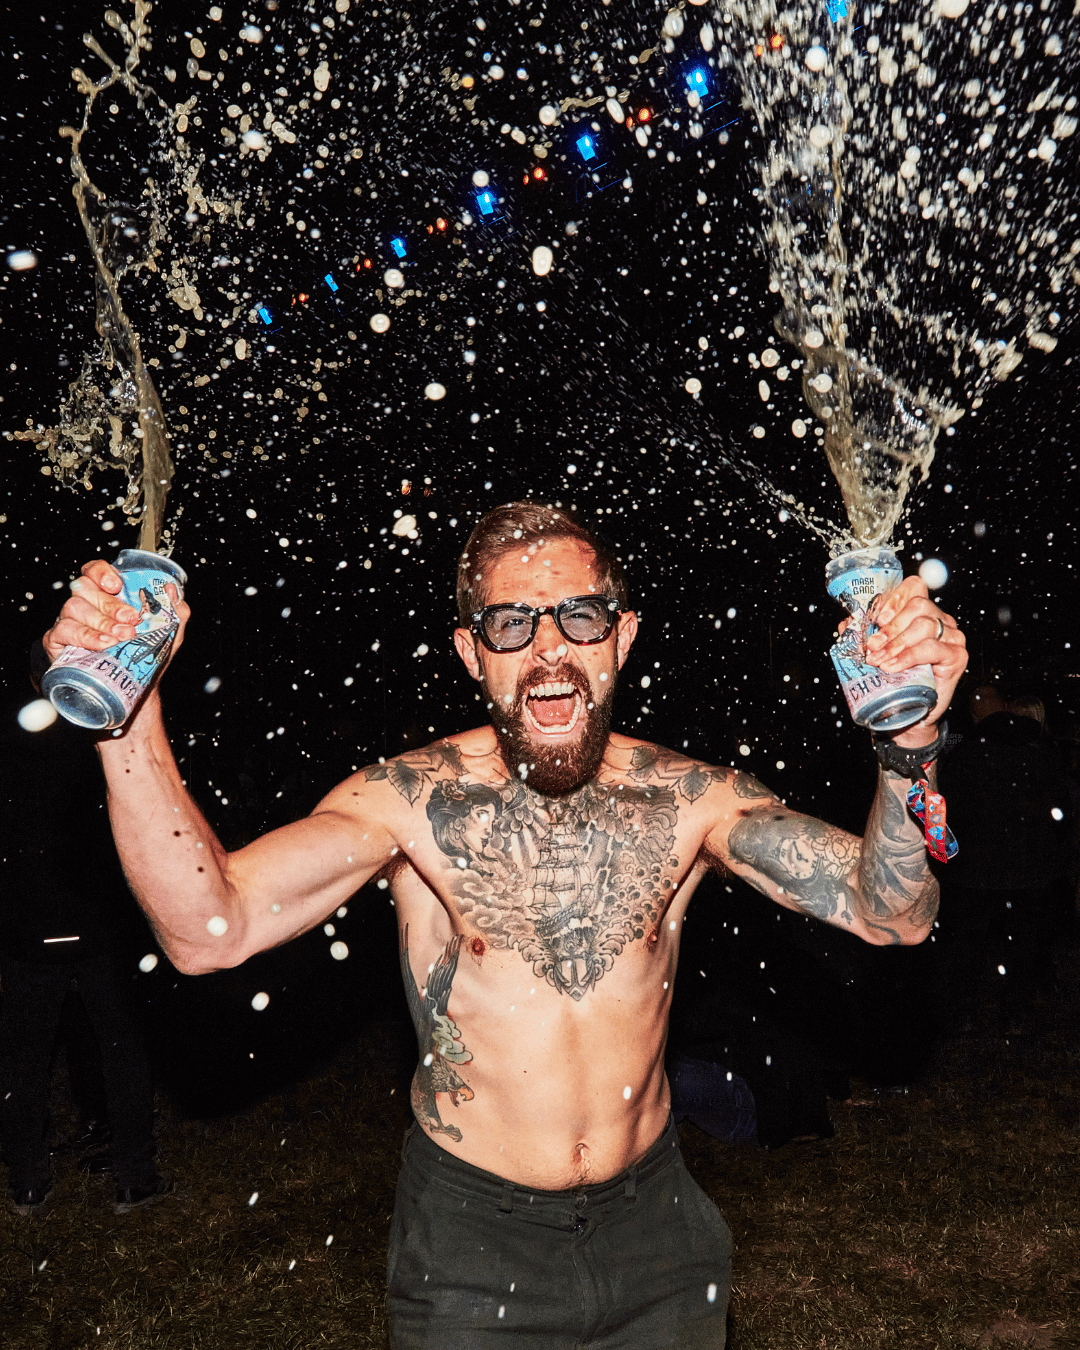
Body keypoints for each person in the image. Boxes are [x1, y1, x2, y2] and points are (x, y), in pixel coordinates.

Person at [42, 502, 967, 1347]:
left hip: (660, 1235)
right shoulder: (408, 803)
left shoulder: (691, 802)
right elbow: (211, 929)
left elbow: (891, 915)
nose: (550, 648)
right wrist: (127, 720)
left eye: (581, 616)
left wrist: (908, 744)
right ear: (470, 653)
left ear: (624, 638)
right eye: (511, 624)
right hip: (472, 1246)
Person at [0, 700, 167, 1216]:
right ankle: (133, 1179)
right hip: (96, 920)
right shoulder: (102, 731)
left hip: (35, 922)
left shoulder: (17, 738)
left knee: (26, 1057)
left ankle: (30, 1181)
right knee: (118, 1048)